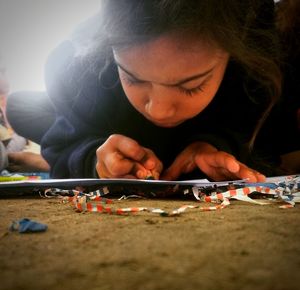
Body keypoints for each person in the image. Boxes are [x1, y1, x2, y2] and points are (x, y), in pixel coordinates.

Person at [6, 0, 300, 181]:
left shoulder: (258, 70)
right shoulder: (81, 66)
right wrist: (94, 159)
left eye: (191, 85)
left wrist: (216, 145)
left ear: (234, 56)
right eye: (133, 78)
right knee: (20, 107)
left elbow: (258, 138)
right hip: (100, 108)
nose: (157, 110)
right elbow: (64, 145)